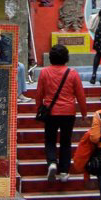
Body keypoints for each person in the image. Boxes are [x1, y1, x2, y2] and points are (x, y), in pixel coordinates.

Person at [35, 44, 87, 182]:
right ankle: (64, 171)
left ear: (51, 58)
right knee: (66, 141)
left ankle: (52, 162)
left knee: (50, 140)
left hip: (50, 112)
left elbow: (39, 94)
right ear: (66, 57)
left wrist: (39, 108)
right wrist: (84, 112)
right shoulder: (72, 73)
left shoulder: (44, 72)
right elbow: (80, 95)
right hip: (68, 112)